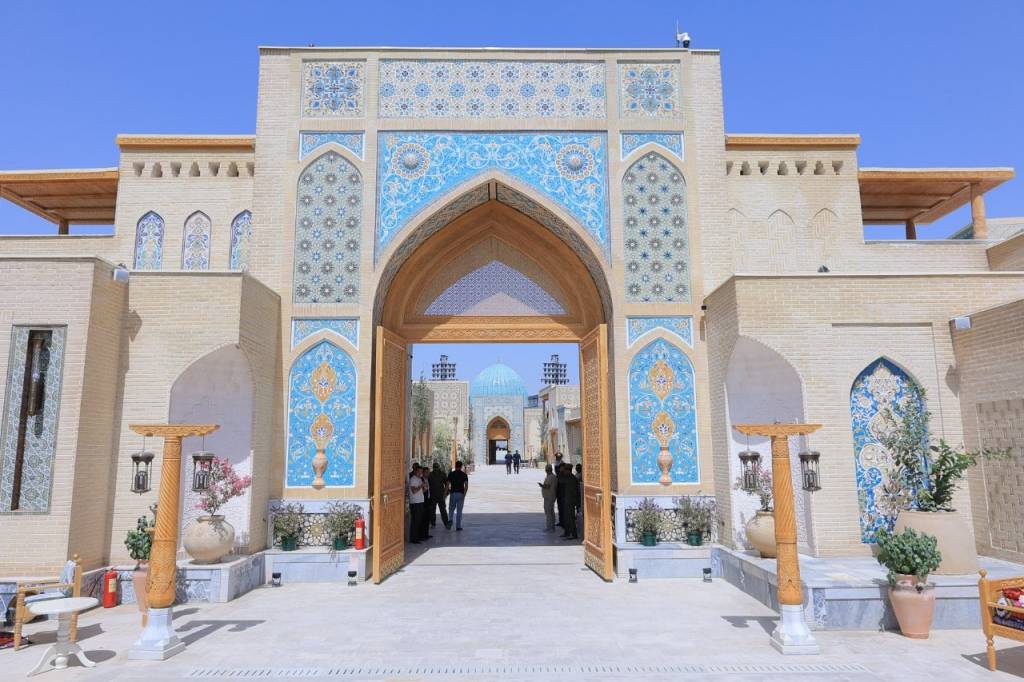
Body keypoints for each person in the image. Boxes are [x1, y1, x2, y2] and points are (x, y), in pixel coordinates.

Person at [558, 463, 579, 539]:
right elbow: (560, 480)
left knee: (570, 518)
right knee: (566, 518)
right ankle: (567, 533)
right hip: (567, 501)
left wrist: (561, 472)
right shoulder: (569, 477)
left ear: (568, 471)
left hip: (570, 501)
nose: (564, 472)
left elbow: (560, 480)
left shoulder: (571, 479)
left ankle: (574, 534)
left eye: (565, 470)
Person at [447, 460, 469, 531]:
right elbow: (466, 486)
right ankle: (458, 526)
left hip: (453, 494)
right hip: (460, 494)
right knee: (459, 511)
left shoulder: (451, 474)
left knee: (451, 509)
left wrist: (445, 494)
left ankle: (450, 520)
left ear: (455, 466)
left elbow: (447, 485)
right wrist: (464, 495)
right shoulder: (464, 475)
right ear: (461, 466)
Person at [428, 462, 450, 529]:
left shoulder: (442, 474)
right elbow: (427, 484)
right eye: (435, 467)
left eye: (436, 467)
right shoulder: (430, 475)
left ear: (438, 467)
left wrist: (445, 493)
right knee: (432, 510)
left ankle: (446, 524)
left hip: (441, 496)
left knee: (442, 510)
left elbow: (447, 483)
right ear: (433, 468)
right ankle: (433, 523)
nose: (436, 469)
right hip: (433, 496)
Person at [407, 464, 425, 544]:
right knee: (415, 521)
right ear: (415, 471)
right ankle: (413, 538)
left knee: (419, 520)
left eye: (421, 472)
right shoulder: (413, 479)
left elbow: (421, 491)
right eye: (419, 471)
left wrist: (425, 487)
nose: (421, 473)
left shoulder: (419, 479)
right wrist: (421, 486)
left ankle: (417, 537)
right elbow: (414, 491)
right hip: (415, 503)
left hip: (420, 502)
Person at [538, 463, 557, 532]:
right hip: (549, 496)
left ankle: (550, 527)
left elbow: (547, 486)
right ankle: (552, 526)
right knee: (551, 511)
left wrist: (541, 485)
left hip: (549, 496)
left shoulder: (550, 477)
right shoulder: (551, 476)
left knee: (549, 512)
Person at [418, 466, 433, 540]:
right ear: (423, 473)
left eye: (428, 472)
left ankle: (426, 534)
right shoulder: (421, 480)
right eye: (426, 472)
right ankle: (422, 535)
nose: (427, 473)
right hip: (423, 501)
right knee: (423, 519)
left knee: (427, 518)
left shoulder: (429, 479)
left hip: (428, 501)